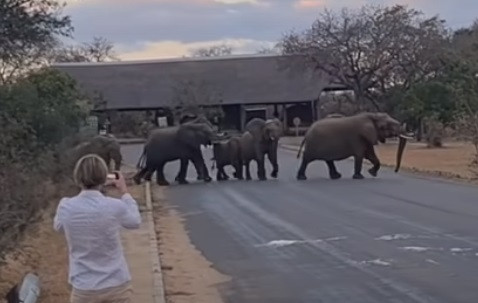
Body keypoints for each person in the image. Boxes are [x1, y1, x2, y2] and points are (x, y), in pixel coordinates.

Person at [54, 154, 142, 303]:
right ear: (103, 177)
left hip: (84, 287)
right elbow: (135, 222)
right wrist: (124, 192)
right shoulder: (115, 206)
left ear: (78, 177)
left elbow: (59, 227)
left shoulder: (66, 206)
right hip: (116, 284)